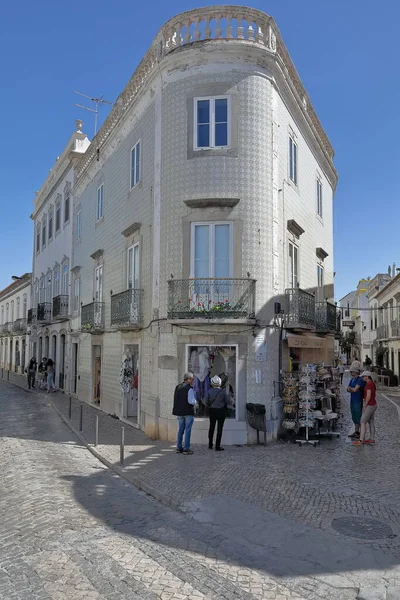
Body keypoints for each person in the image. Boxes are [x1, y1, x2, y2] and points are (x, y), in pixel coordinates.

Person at [206, 375, 234, 451]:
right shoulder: (223, 392)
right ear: (220, 383)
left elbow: (205, 401)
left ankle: (210, 445)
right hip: (221, 411)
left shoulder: (209, 391)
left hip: (212, 411)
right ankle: (217, 446)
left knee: (211, 427)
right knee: (219, 429)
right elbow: (228, 401)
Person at [173, 372, 196, 455]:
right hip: (188, 412)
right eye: (192, 379)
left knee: (180, 430)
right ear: (188, 379)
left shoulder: (177, 387)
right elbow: (191, 401)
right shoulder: (189, 389)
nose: (193, 381)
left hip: (179, 412)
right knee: (188, 430)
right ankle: (186, 448)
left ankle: (179, 447)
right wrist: (195, 401)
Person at [353, 371, 377, 445]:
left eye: (363, 376)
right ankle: (372, 438)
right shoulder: (371, 383)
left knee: (362, 422)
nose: (362, 378)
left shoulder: (369, 384)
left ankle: (360, 440)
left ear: (367, 377)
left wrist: (364, 406)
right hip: (374, 404)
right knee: (371, 421)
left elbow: (368, 396)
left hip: (370, 405)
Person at [347, 367, 365, 439]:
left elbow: (354, 389)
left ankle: (359, 432)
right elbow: (348, 389)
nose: (351, 373)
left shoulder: (359, 379)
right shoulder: (352, 379)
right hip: (352, 400)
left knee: (358, 416)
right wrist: (352, 389)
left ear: (356, 372)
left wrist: (351, 389)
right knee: (354, 416)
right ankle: (356, 431)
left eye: (352, 372)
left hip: (358, 400)